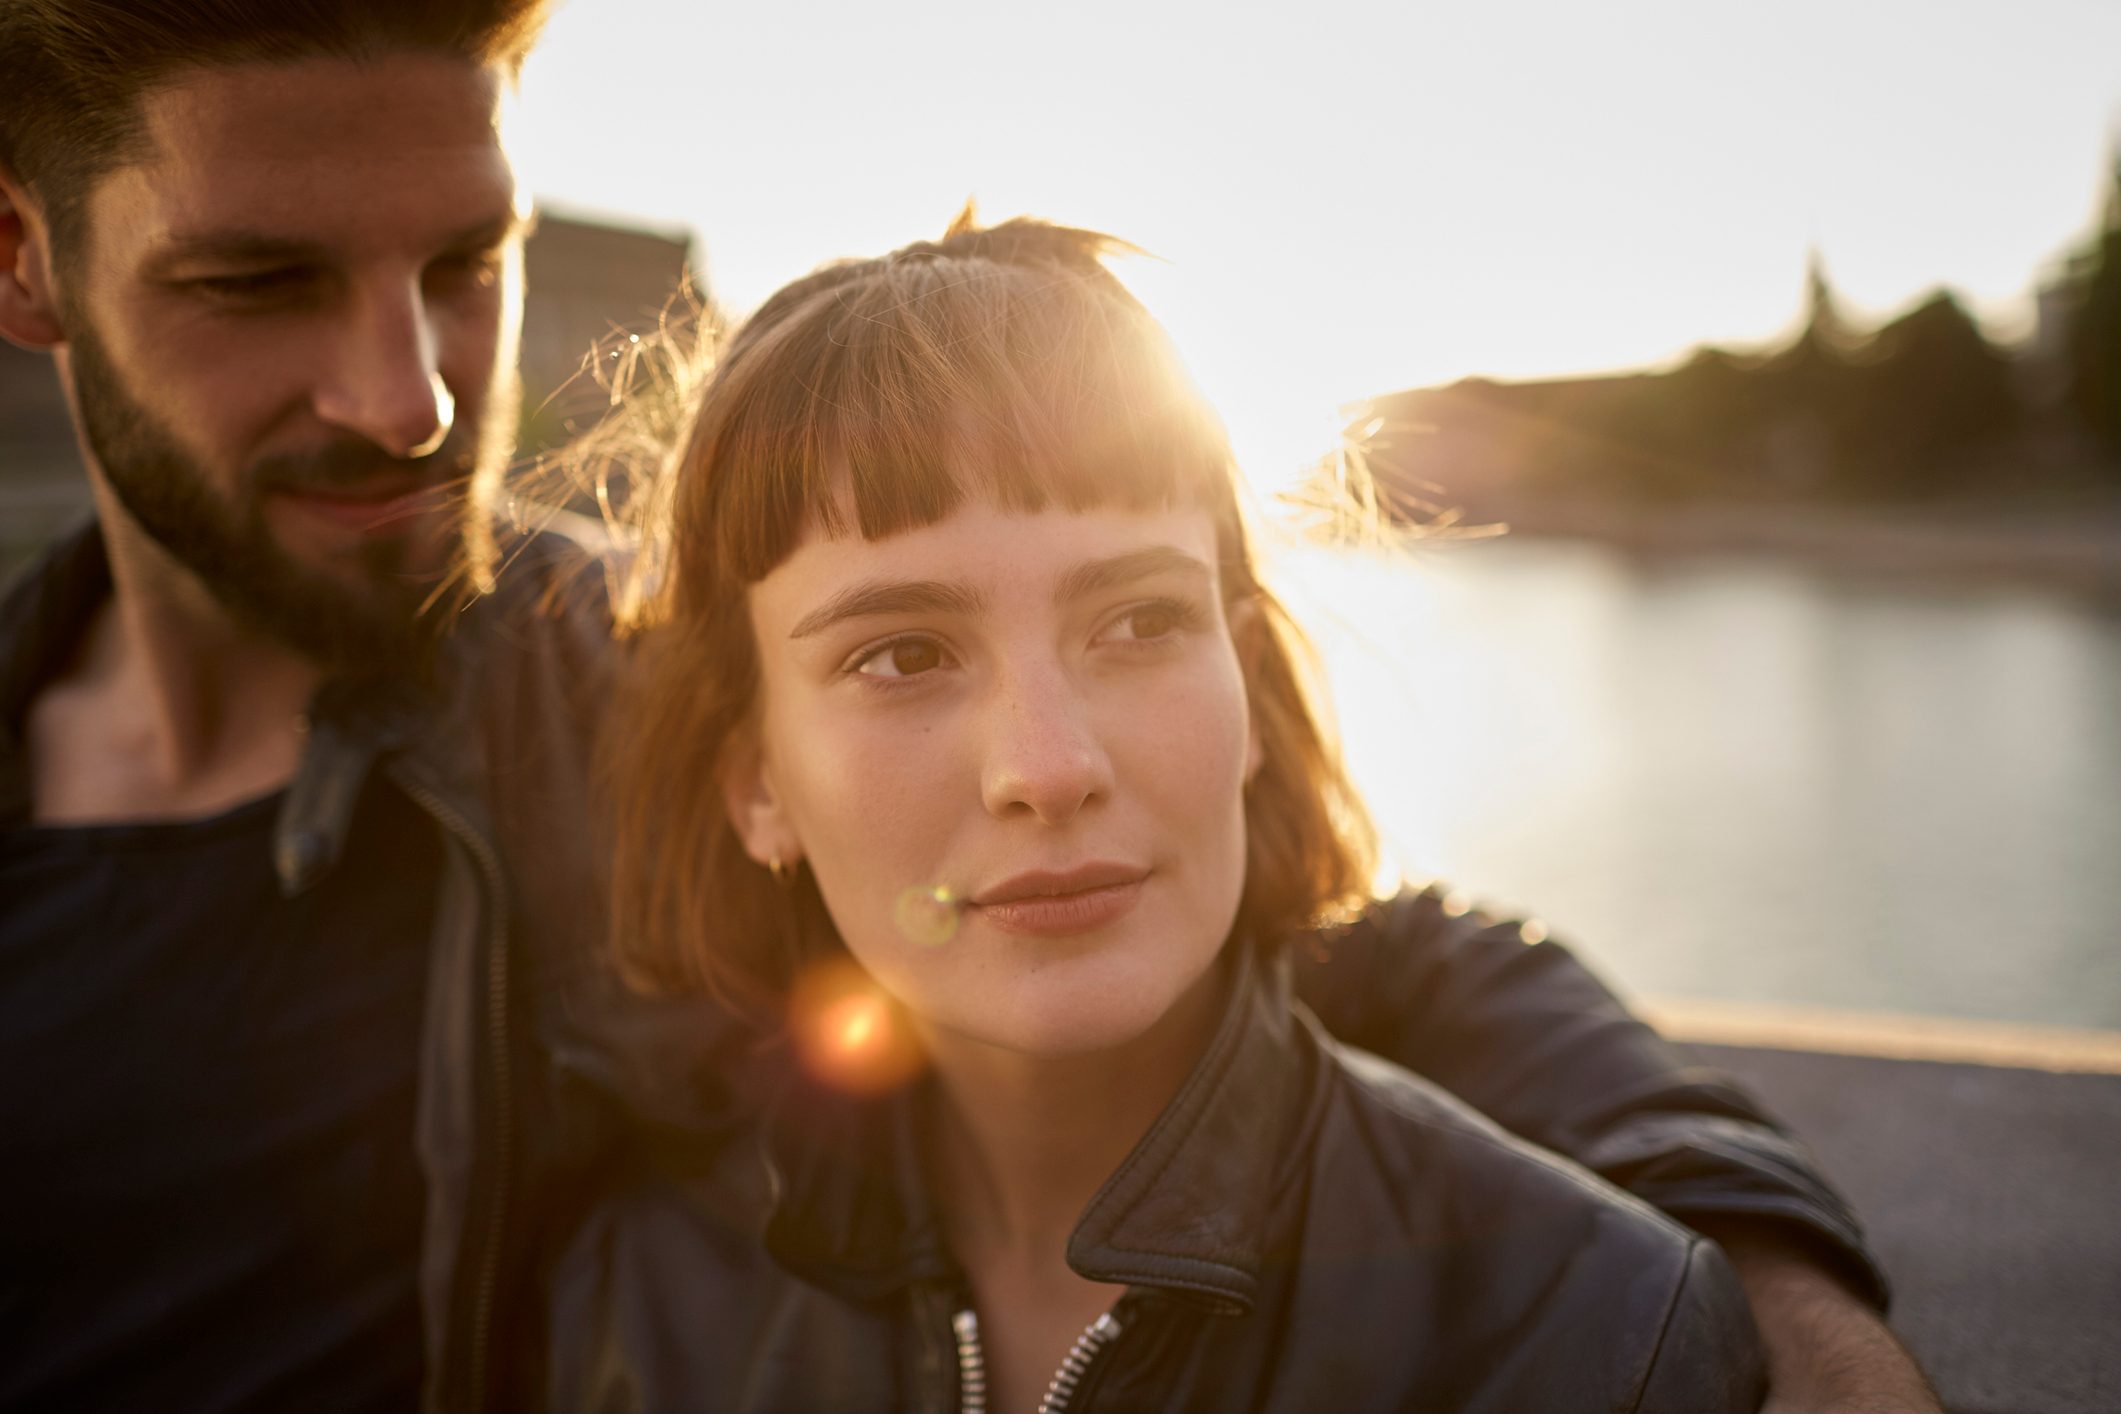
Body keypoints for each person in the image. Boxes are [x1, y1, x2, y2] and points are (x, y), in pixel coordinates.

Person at [0, 3, 1926, 1411]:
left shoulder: (610, 677)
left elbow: (1339, 948)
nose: (409, 394)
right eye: (254, 283)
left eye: (463, 267)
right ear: (29, 264)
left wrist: (1768, 1321)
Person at [538, 216, 1886, 1410]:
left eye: (1137, 621)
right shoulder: (638, 1306)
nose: (1045, 764)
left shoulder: (1593, 1336)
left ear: (1243, 679)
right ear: (755, 781)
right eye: (901, 654)